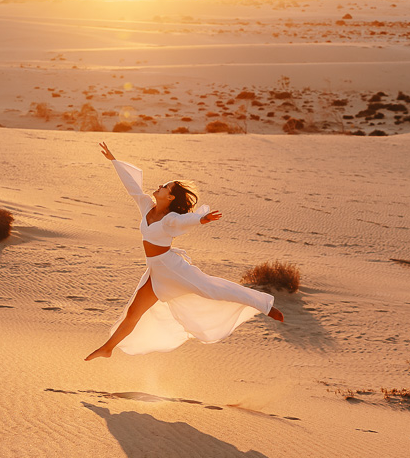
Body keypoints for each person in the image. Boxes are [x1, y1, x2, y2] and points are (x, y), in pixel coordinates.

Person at [85, 142, 284, 360]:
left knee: (211, 288)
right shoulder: (146, 207)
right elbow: (132, 187)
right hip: (155, 272)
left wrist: (201, 219)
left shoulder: (170, 220)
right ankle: (108, 349)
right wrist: (114, 161)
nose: (160, 186)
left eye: (165, 187)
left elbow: (184, 221)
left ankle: (264, 305)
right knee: (133, 313)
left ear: (170, 198)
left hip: (172, 268)